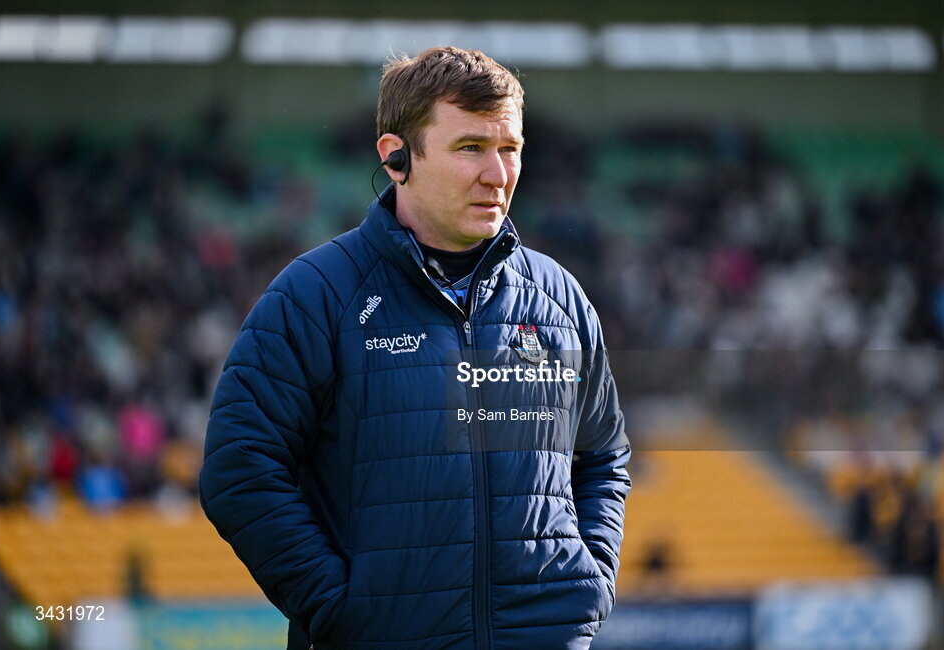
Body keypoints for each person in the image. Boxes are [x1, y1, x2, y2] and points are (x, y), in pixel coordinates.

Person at [200, 46, 631, 650]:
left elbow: (604, 457)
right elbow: (238, 470)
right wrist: (341, 610)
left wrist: (589, 585)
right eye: (470, 148)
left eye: (510, 149)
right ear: (396, 157)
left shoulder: (558, 299)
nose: (498, 174)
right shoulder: (315, 295)